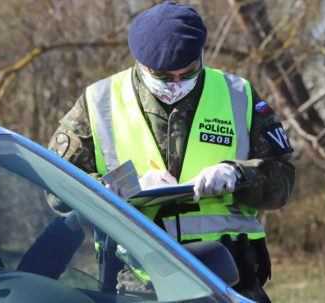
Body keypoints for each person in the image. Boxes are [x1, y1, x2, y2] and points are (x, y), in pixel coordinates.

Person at [48, 2, 295, 302]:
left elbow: (282, 181)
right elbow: (56, 188)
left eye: (187, 72)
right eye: (164, 76)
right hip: (135, 283)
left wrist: (239, 175)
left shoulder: (237, 94)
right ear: (140, 63)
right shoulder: (99, 102)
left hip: (230, 277)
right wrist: (120, 187)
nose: (176, 84)